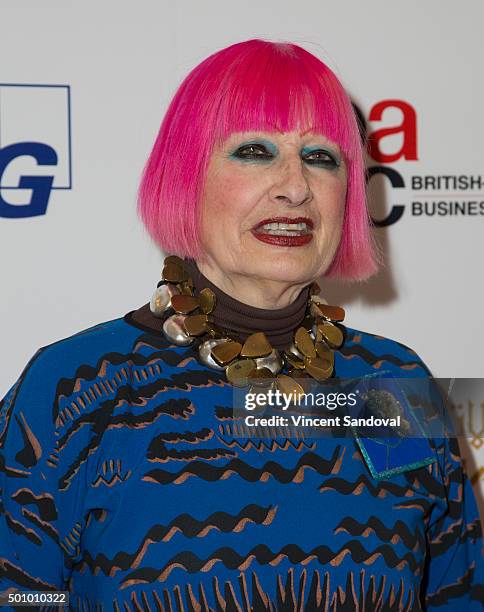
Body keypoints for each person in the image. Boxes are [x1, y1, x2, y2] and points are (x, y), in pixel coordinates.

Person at [0, 39, 482, 611]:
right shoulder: (77, 386)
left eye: (321, 157)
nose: (296, 186)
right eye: (254, 150)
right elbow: (20, 597)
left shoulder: (394, 381)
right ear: (186, 176)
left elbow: (455, 593)